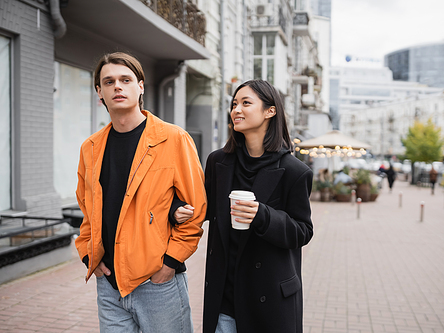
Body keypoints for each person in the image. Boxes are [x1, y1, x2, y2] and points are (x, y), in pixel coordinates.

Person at [74, 52, 206, 333]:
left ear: (141, 86)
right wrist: (89, 255)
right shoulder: (91, 148)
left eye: (125, 79)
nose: (117, 87)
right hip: (109, 285)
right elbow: (87, 209)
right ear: (99, 91)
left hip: (158, 283)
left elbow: (196, 208)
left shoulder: (173, 139)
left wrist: (169, 264)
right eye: (108, 82)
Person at [202, 80, 313, 333]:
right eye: (234, 104)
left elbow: (302, 231)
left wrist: (262, 215)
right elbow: (204, 208)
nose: (236, 110)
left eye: (246, 103)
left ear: (270, 111)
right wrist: (180, 208)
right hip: (224, 300)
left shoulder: (295, 171)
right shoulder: (218, 161)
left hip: (270, 300)